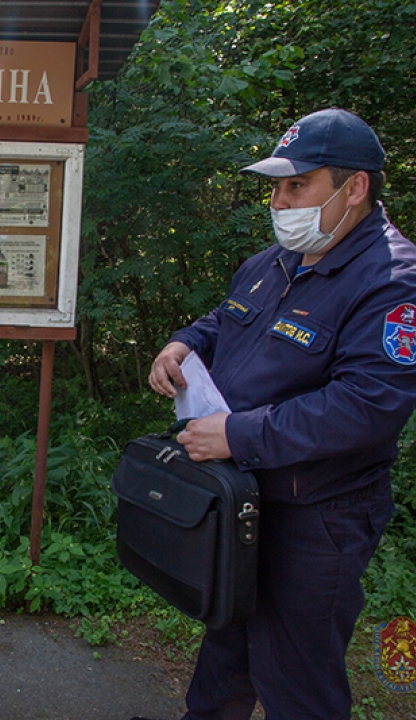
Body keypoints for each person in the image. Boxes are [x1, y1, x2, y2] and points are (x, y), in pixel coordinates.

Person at [138, 108, 416, 720]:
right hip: (242, 504)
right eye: (276, 187)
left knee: (297, 682)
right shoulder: (272, 263)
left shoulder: (394, 281)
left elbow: (369, 404)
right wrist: (183, 343)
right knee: (224, 661)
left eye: (297, 185)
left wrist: (239, 435)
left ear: (356, 187)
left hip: (319, 518)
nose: (280, 200)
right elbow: (222, 321)